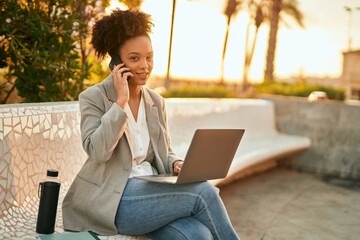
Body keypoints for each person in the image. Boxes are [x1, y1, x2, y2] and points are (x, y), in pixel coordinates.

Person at [62, 9, 240, 240]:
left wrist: (175, 163)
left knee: (198, 234)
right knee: (203, 192)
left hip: (152, 190)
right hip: (114, 199)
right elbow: (97, 152)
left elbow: (164, 152)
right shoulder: (93, 97)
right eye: (134, 58)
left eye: (149, 57)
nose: (145, 65)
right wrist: (121, 103)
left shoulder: (156, 101)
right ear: (117, 62)